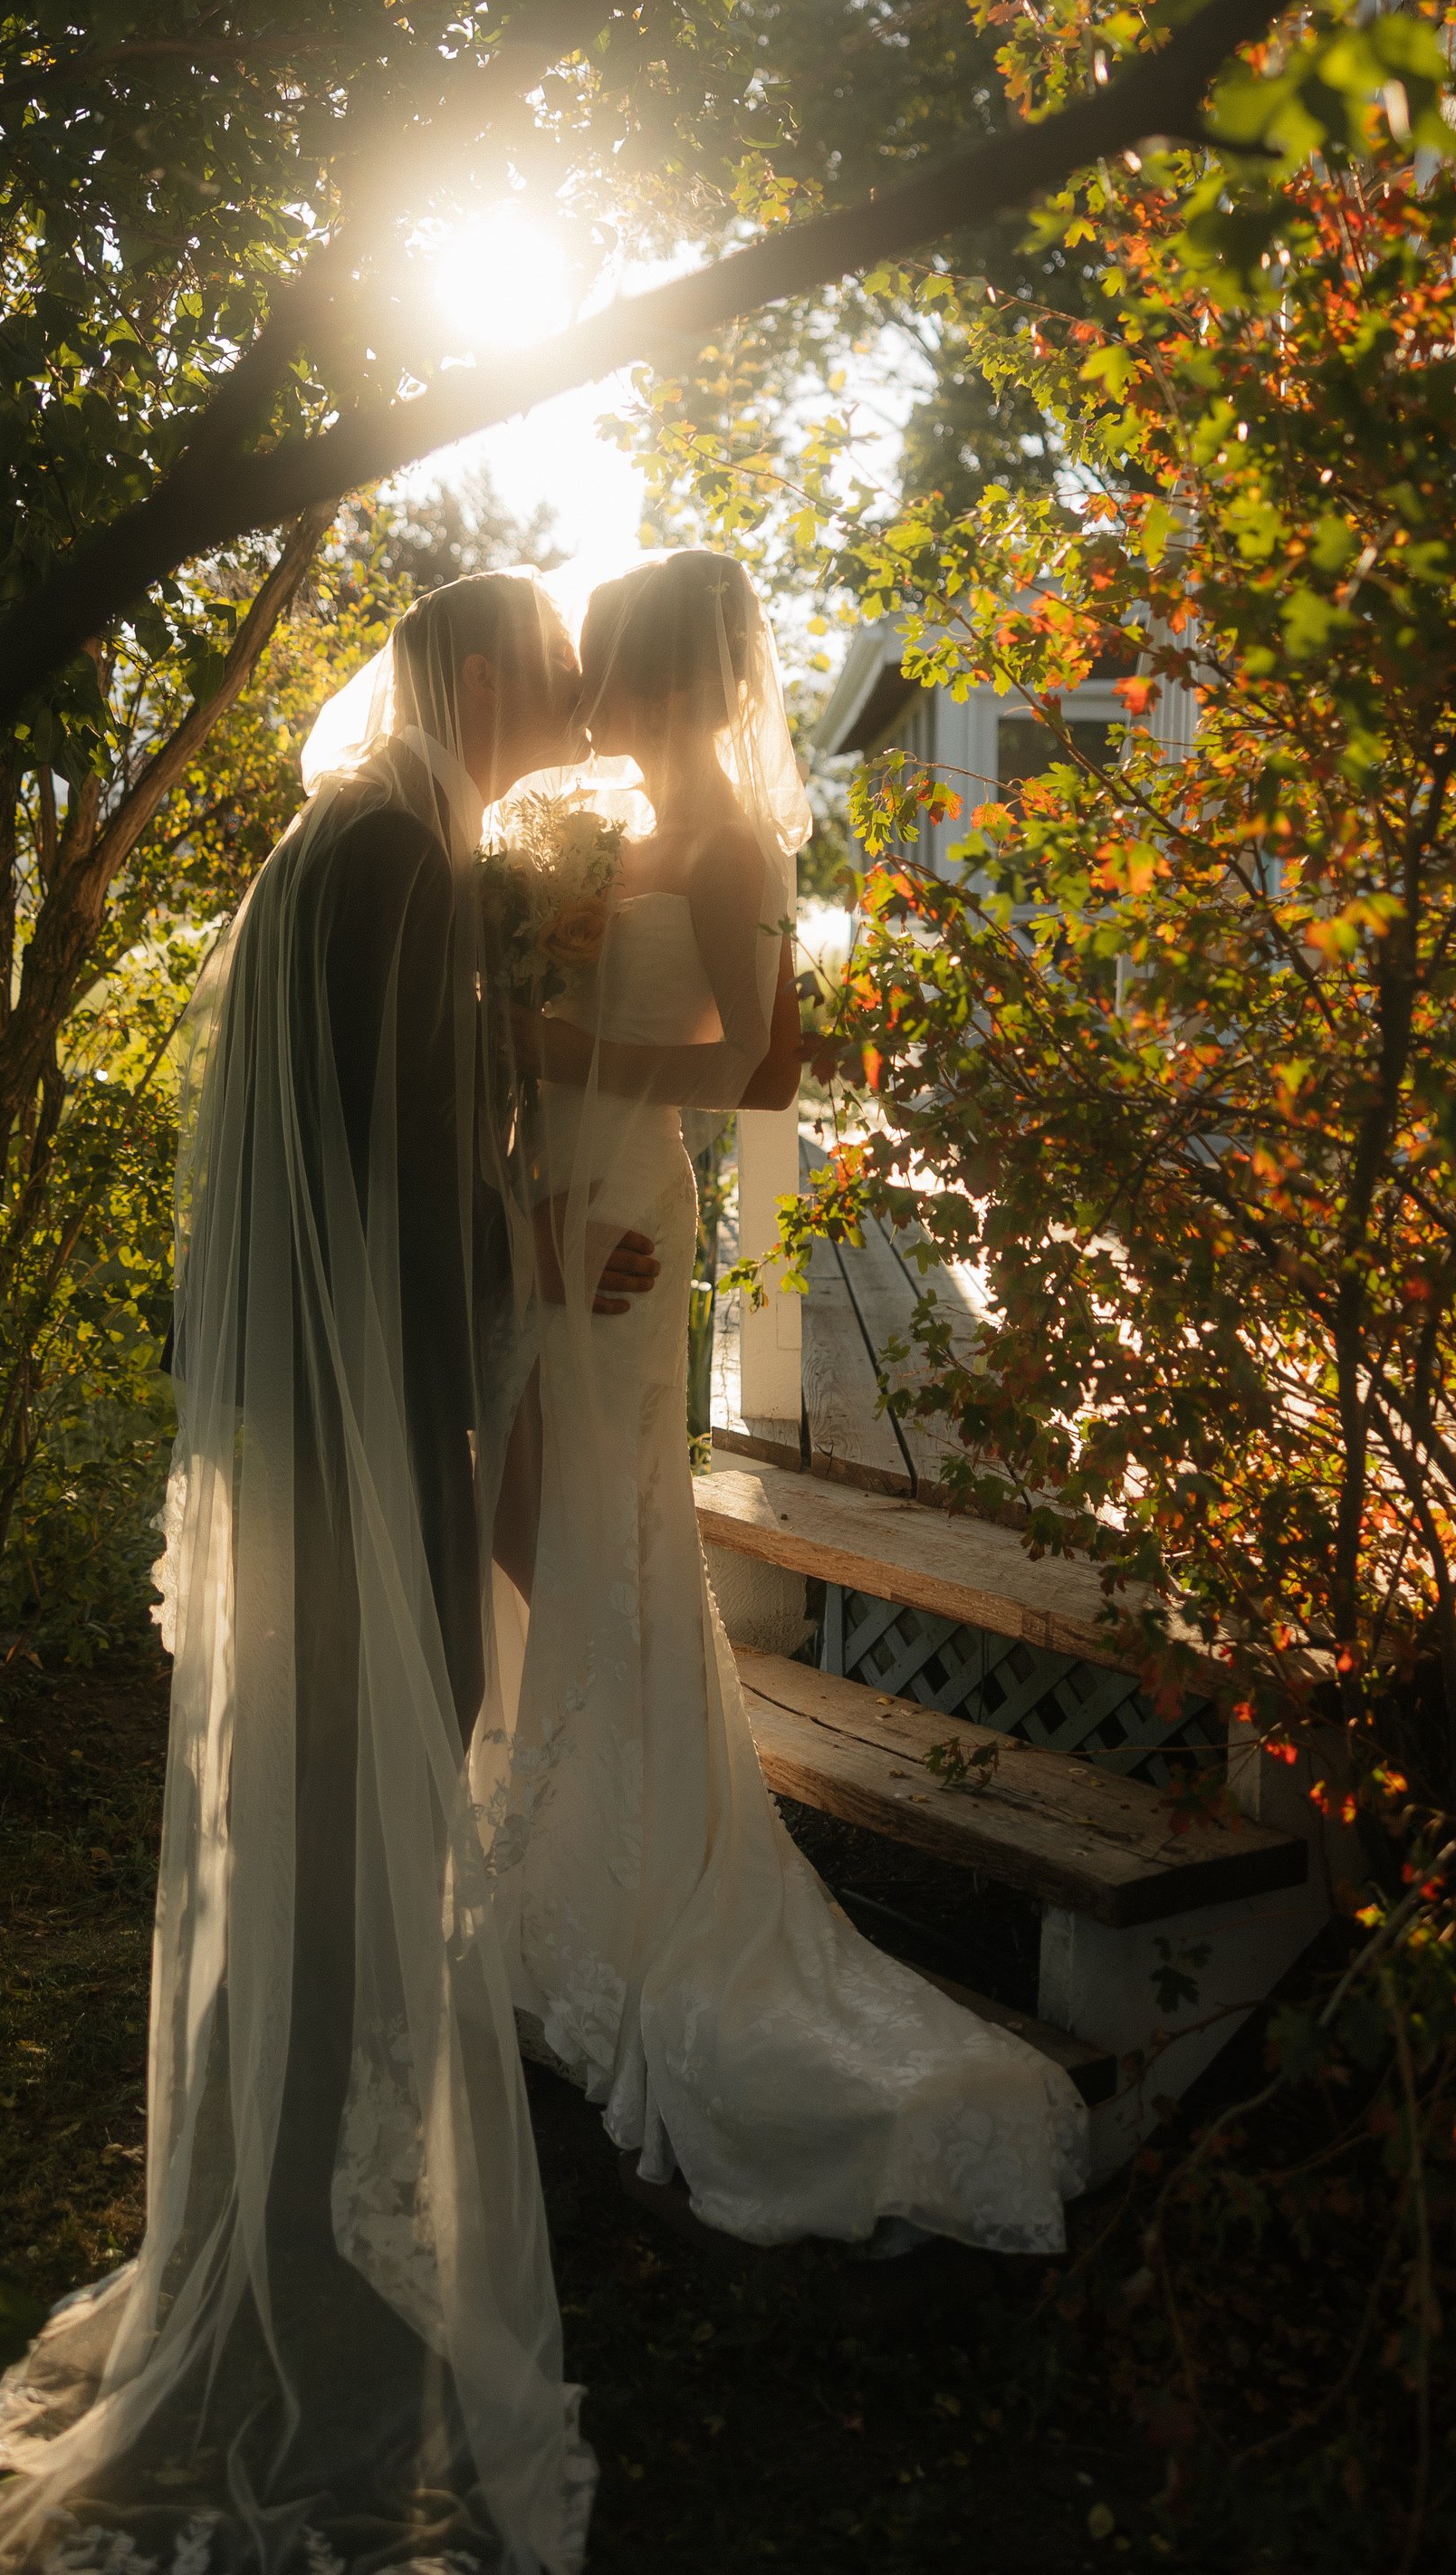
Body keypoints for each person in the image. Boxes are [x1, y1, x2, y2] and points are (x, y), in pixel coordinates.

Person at [0, 572, 648, 2575]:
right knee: (349, 1835)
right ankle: (297, 2282)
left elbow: (378, 1146)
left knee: (322, 1834)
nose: (576, 698)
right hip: (359, 1451)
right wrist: (511, 1301)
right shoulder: (399, 855)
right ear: (482, 670)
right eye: (553, 666)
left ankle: (287, 2224)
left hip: (310, 1434)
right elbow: (404, 1177)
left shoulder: (371, 839)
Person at [488, 550, 1090, 2254]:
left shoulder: (742, 843)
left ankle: (634, 1879)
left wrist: (541, 1047)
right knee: (533, 1509)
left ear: (680, 677)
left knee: (605, 1521)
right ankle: (549, 1856)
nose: (593, 700)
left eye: (615, 668)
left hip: (624, 1214)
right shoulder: (607, 836)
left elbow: (754, 1061)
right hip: (556, 1185)